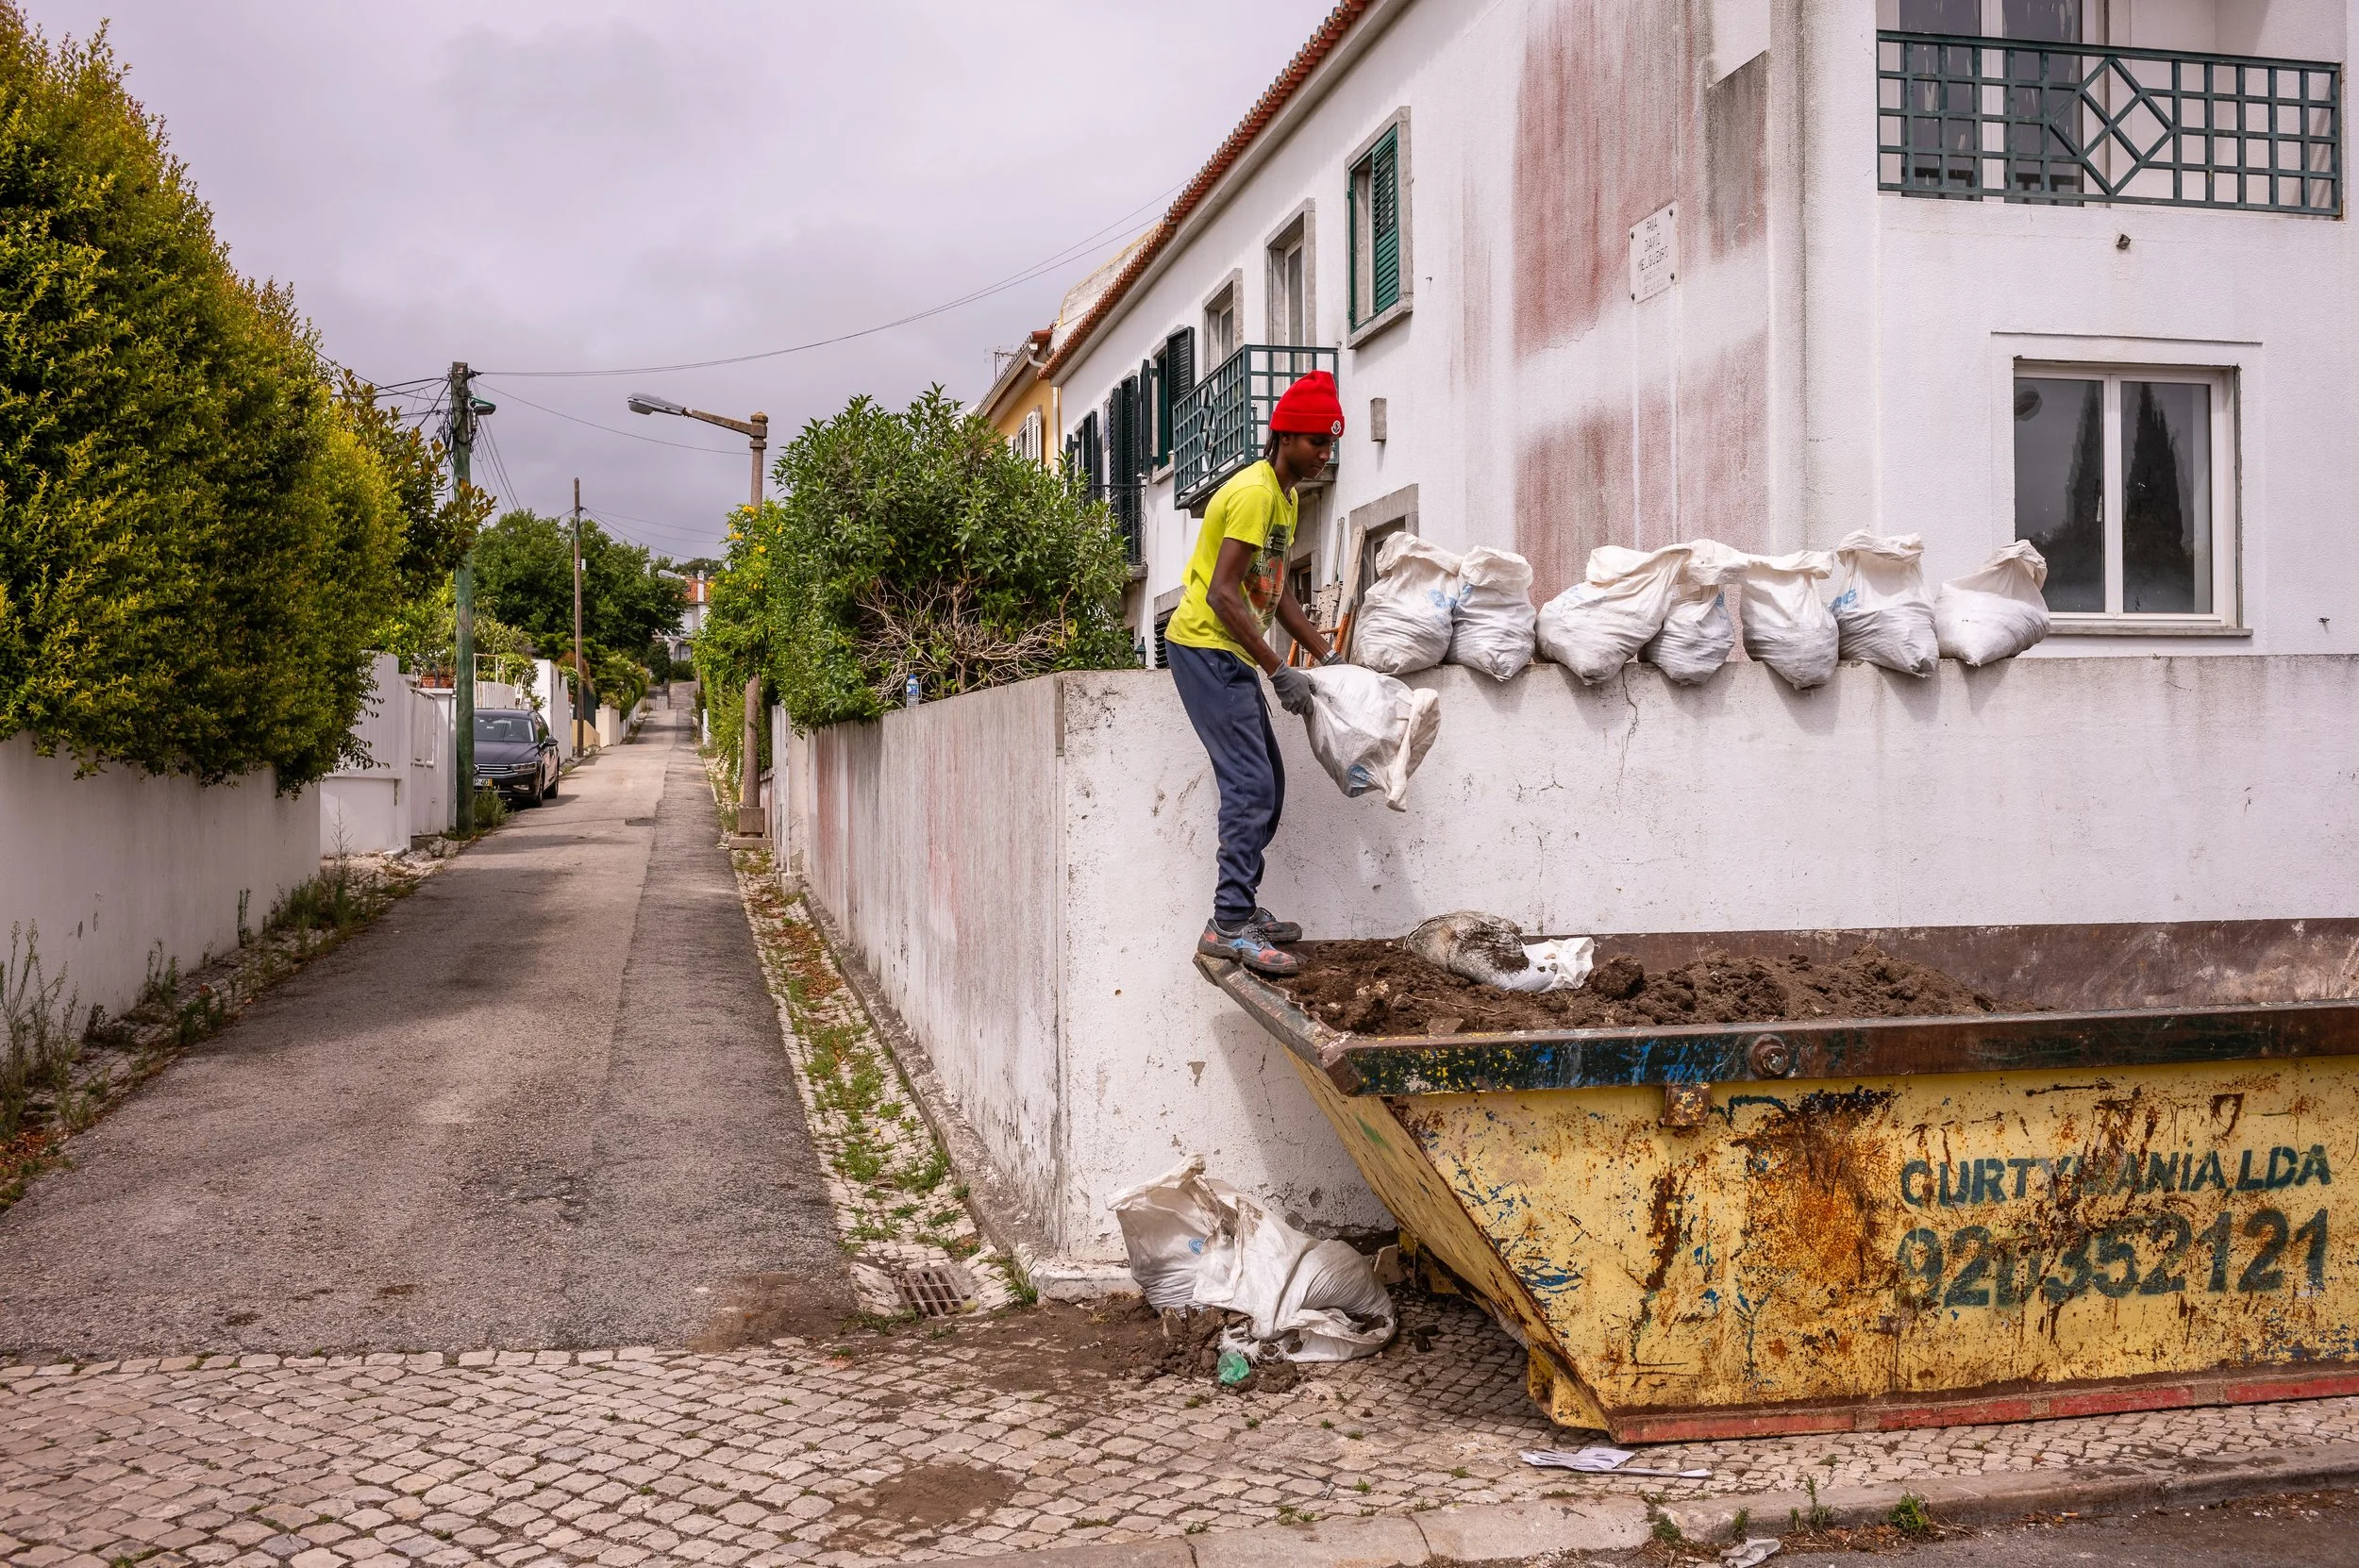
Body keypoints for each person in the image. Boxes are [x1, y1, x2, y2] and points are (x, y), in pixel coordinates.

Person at [1162, 370, 1344, 977]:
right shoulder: (1255, 494)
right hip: (1206, 649)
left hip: (1232, 653)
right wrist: (1278, 671)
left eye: (1330, 444)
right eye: (1317, 442)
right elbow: (1221, 593)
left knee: (1272, 788)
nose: (1325, 454)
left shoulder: (1286, 498)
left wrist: (1326, 656)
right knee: (1249, 787)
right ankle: (1229, 922)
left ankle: (1243, 910)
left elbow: (1274, 593)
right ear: (1284, 436)